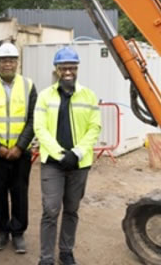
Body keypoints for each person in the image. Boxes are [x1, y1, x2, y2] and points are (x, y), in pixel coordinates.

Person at [34, 47, 102, 265]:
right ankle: (46, 257)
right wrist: (60, 154)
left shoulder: (89, 95)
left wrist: (76, 153)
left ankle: (66, 251)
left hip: (79, 164)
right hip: (53, 164)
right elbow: (40, 128)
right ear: (57, 69)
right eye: (64, 67)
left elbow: (94, 128)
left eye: (72, 67)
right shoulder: (45, 96)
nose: (68, 71)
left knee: (72, 210)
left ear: (77, 68)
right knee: (50, 210)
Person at [0, 42, 37, 254]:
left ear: (17, 63)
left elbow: (33, 119)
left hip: (20, 154)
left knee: (19, 193)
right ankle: (2, 231)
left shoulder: (28, 85)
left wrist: (20, 146)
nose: (8, 64)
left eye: (11, 60)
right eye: (4, 60)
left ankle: (18, 233)